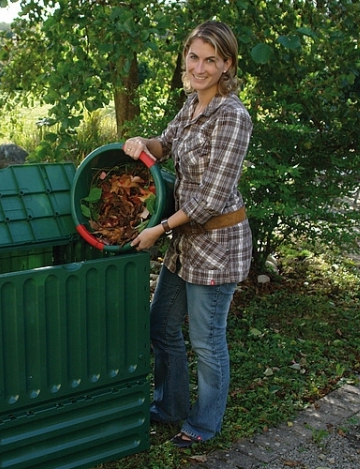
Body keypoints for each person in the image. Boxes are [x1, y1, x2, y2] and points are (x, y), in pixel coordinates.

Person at [122, 20, 253, 448]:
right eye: (194, 57)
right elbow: (167, 144)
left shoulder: (232, 116)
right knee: (160, 324)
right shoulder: (192, 105)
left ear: (227, 64)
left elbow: (211, 199)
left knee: (207, 340)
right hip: (186, 243)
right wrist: (143, 143)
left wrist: (157, 229)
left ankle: (204, 423)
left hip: (217, 246)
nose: (199, 66)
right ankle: (169, 405)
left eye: (210, 59)